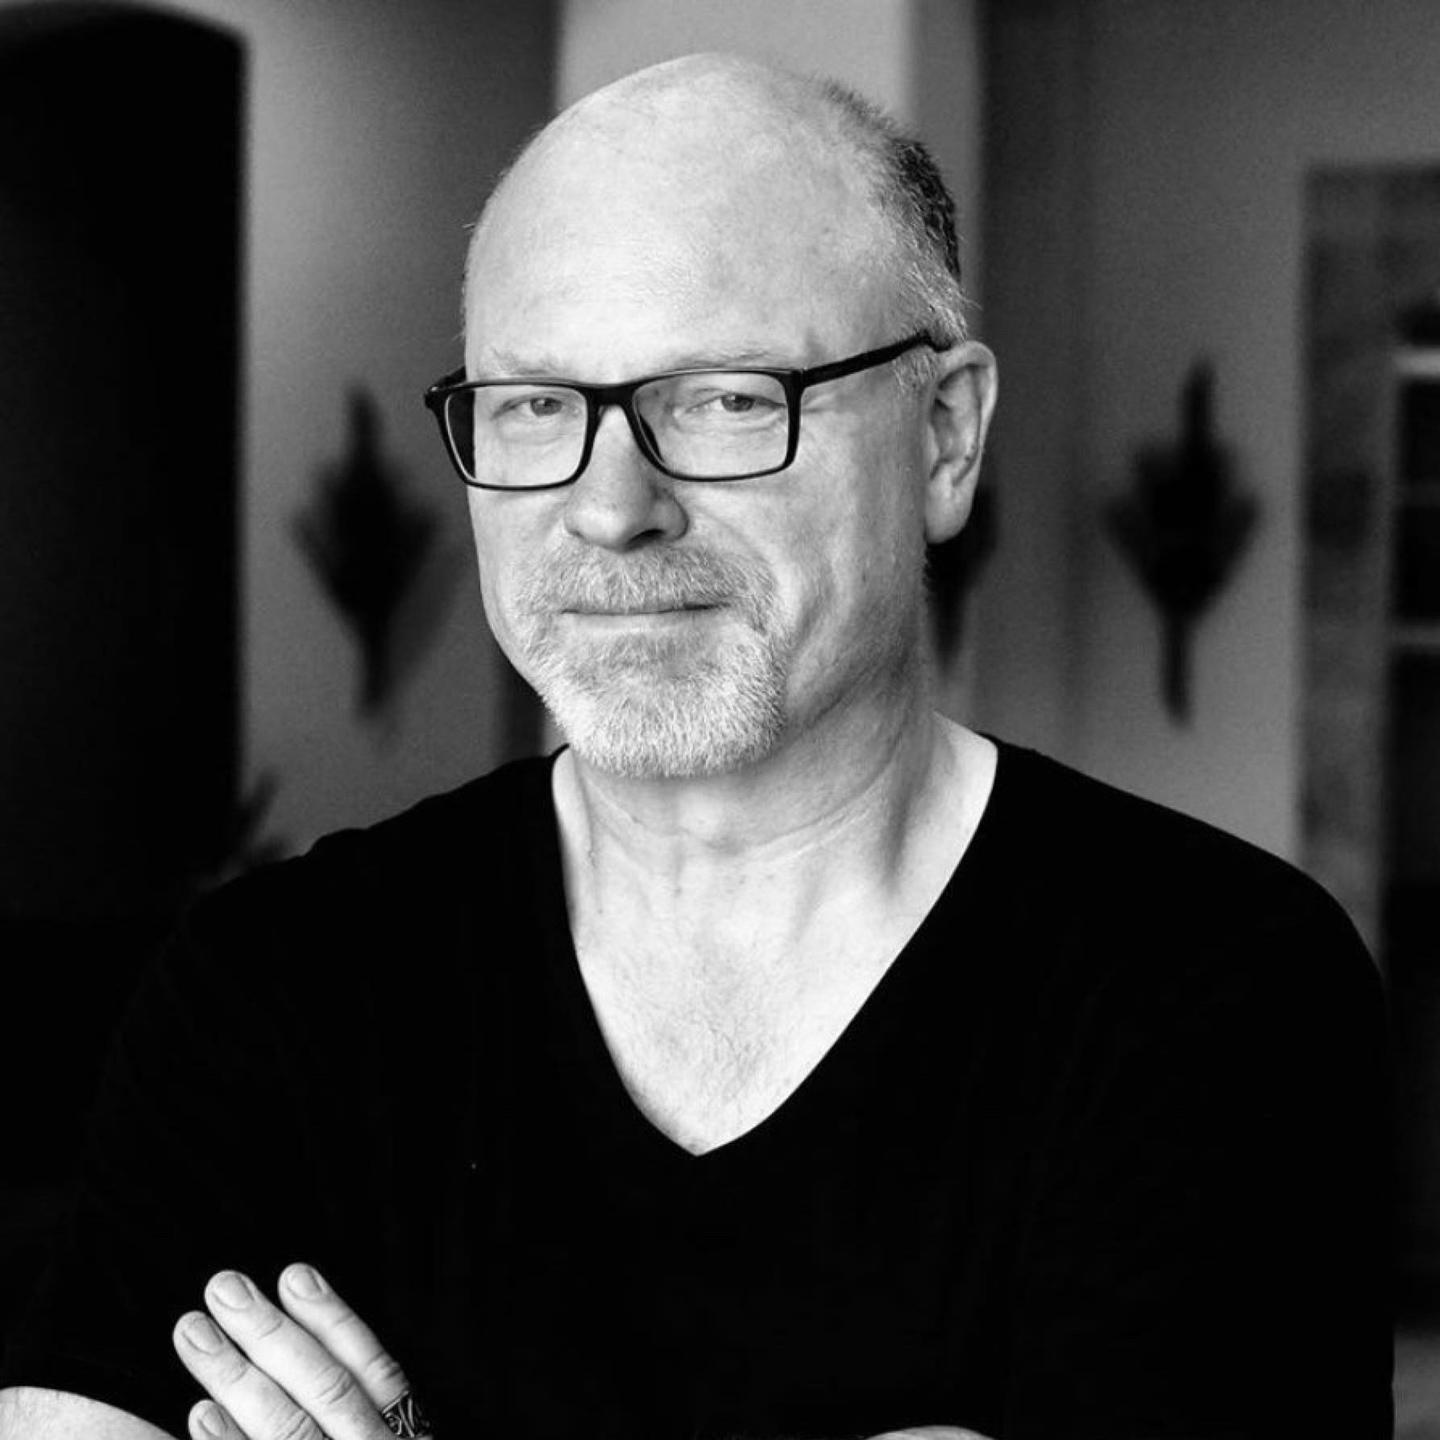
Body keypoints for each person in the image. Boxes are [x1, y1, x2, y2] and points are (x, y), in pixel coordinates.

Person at [0, 52, 1390, 1440]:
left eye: (726, 398)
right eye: (535, 405)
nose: (612, 508)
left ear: (945, 438)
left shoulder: (1213, 985)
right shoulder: (271, 989)